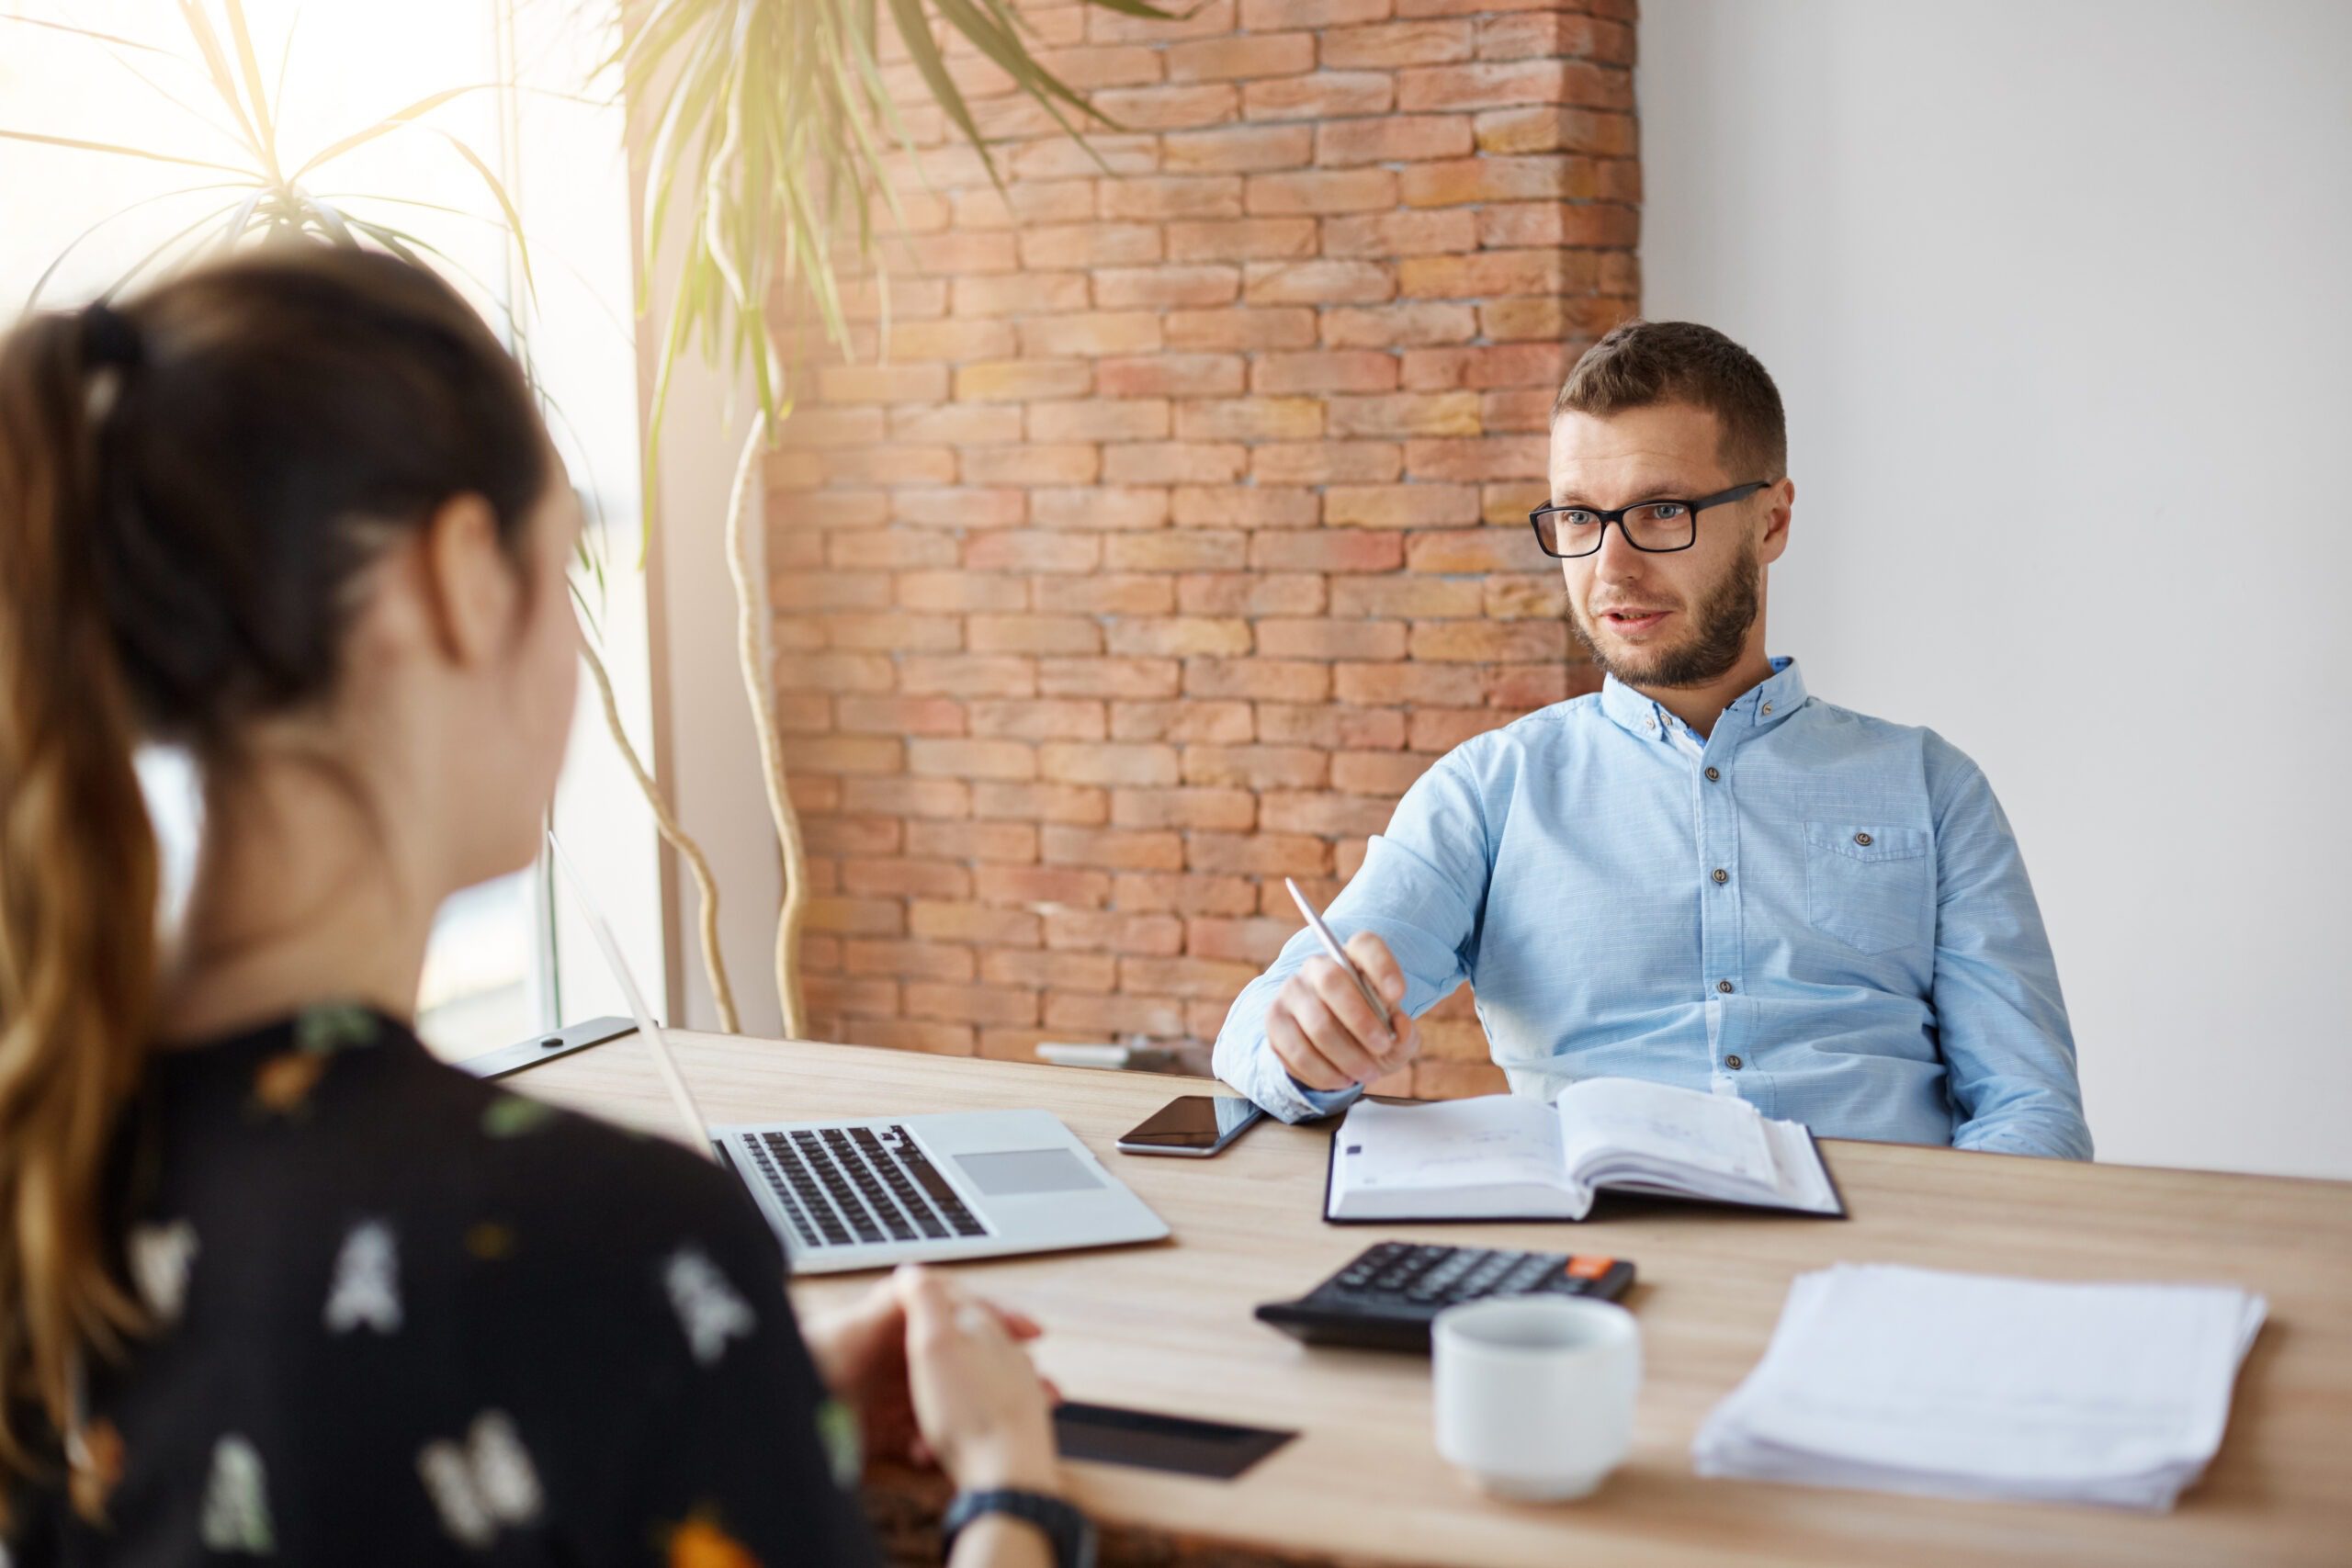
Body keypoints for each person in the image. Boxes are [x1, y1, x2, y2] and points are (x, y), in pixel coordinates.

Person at [0, 248, 1081, 1565]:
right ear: (458, 574)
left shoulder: (50, 1167)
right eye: (563, 562)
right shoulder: (611, 1236)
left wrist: (716, 1377)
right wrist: (1009, 1490)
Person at [1214, 321, 2091, 1161]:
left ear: (1772, 522)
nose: (1611, 568)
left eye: (1662, 510)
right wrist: (1306, 1039)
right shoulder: (1491, 790)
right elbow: (1258, 1025)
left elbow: (2028, 1105)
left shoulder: (1930, 786)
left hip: (1874, 1257)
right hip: (1609, 1264)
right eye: (1577, 518)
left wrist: (1946, 1266)